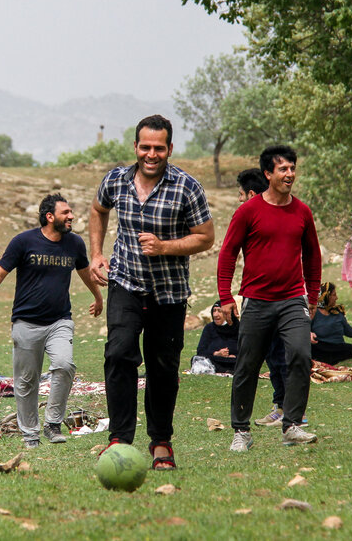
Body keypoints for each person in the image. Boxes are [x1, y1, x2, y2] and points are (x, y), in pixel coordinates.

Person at [89, 114, 214, 470]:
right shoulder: (116, 179)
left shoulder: (187, 187)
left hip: (169, 293)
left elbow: (205, 237)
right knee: (118, 354)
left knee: (162, 367)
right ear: (135, 147)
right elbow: (98, 210)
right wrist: (96, 254)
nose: (152, 154)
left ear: (170, 148)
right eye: (145, 147)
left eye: (159, 148)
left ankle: (161, 442)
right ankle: (119, 440)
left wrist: (164, 247)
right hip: (125, 284)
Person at [0, 194, 103, 448]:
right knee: (26, 382)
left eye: (71, 212)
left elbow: (84, 271)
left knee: (64, 365)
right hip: (26, 323)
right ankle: (30, 433)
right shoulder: (23, 242)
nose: (71, 216)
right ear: (50, 216)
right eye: (66, 212)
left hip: (59, 321)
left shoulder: (74, 243)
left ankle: (53, 423)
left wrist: (97, 296)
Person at [218, 145, 321, 450]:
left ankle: (291, 425)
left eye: (292, 168)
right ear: (268, 174)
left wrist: (312, 296)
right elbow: (227, 254)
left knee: (301, 356)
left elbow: (313, 257)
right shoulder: (248, 211)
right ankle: (241, 432)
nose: (289, 174)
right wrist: (225, 296)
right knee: (247, 365)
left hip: (293, 299)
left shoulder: (302, 211)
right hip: (256, 300)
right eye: (283, 169)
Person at [235, 168, 292, 428]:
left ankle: (287, 409)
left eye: (240, 195)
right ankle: (281, 405)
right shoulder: (258, 217)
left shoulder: (276, 216)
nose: (239, 200)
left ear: (250, 193)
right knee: (273, 355)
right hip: (262, 299)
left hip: (277, 299)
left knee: (280, 356)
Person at [310, 282, 352, 364]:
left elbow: (350, 331)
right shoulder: (314, 313)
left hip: (337, 347)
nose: (336, 298)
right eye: (334, 295)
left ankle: (324, 360)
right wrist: (309, 333)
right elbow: (303, 330)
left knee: (351, 349)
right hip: (321, 347)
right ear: (326, 296)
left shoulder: (337, 312)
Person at [194, 301, 239, 373]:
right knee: (197, 359)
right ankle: (226, 370)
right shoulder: (209, 328)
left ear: (228, 313)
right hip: (214, 360)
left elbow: (247, 351)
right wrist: (216, 353)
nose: (215, 314)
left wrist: (235, 356)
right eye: (214, 311)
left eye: (219, 311)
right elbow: (200, 351)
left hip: (233, 361)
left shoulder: (238, 327)